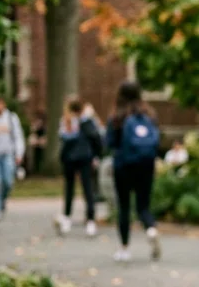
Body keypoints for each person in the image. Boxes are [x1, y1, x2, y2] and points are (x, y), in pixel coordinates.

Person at [105, 80, 162, 262]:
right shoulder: (149, 114)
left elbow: (109, 143)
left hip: (123, 166)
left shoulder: (117, 116)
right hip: (146, 165)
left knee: (124, 206)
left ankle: (124, 249)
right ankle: (151, 229)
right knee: (143, 205)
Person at [55, 98, 102, 237]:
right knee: (88, 189)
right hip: (85, 158)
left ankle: (67, 217)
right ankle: (90, 220)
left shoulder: (66, 122)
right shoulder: (86, 121)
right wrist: (96, 155)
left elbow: (64, 138)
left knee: (69, 189)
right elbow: (96, 137)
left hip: (70, 158)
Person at [0, 96, 25, 220]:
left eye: (1, 104)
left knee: (8, 181)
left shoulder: (11, 118)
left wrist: (19, 154)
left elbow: (18, 136)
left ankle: (2, 200)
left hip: (8, 153)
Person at [28, 110, 47, 175]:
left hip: (41, 146)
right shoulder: (34, 127)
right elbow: (32, 136)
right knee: (35, 159)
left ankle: (41, 171)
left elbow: (44, 138)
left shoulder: (44, 128)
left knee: (41, 158)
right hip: (35, 146)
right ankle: (34, 171)